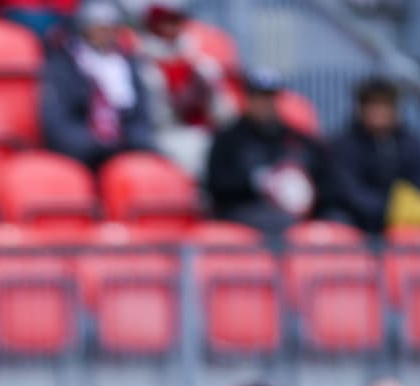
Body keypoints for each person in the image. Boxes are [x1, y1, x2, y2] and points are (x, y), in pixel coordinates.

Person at [205, 67, 322, 234]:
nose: (264, 104)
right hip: (243, 209)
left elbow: (320, 172)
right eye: (258, 97)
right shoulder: (228, 139)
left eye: (269, 97)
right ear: (247, 98)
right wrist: (254, 182)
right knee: (280, 223)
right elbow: (216, 185)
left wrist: (302, 183)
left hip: (296, 210)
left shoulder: (295, 138)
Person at [41, 1, 156, 171]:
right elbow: (58, 123)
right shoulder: (64, 65)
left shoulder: (127, 65)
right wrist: (96, 146)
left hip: (124, 150)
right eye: (99, 28)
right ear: (85, 29)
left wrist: (131, 142)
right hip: (83, 154)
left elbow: (141, 117)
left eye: (111, 28)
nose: (106, 34)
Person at [134, 0, 237, 177]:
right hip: (169, 136)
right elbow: (152, 119)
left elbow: (226, 114)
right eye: (166, 22)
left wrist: (208, 94)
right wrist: (179, 103)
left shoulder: (201, 63)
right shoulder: (143, 65)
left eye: (176, 21)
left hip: (206, 133)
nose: (172, 27)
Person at [324, 76, 420, 236]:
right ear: (361, 109)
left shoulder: (411, 143)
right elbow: (347, 191)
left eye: (385, 105)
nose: (379, 112)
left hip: (400, 218)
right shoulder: (343, 144)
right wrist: (387, 209)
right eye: (373, 105)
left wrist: (404, 208)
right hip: (355, 218)